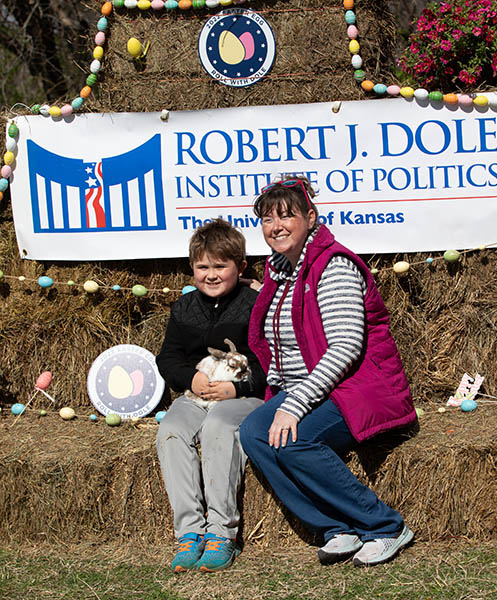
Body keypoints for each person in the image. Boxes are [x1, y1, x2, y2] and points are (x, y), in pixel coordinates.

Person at [239, 176, 416, 567]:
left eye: (286, 216)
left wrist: (294, 404)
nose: (276, 226)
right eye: (267, 219)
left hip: (356, 384)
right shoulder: (281, 273)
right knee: (253, 434)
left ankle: (385, 525)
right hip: (313, 387)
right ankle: (337, 526)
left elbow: (346, 347)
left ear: (311, 217)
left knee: (293, 440)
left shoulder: (332, 265)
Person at [156, 219, 266, 573]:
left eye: (221, 266)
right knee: (170, 430)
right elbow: (168, 358)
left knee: (219, 426)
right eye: (203, 267)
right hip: (196, 394)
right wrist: (191, 377)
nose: (212, 274)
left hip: (242, 396)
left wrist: (239, 388)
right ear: (192, 269)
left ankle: (222, 533)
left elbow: (275, 359)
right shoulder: (183, 309)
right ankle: (189, 533)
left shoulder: (256, 305)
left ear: (240, 267)